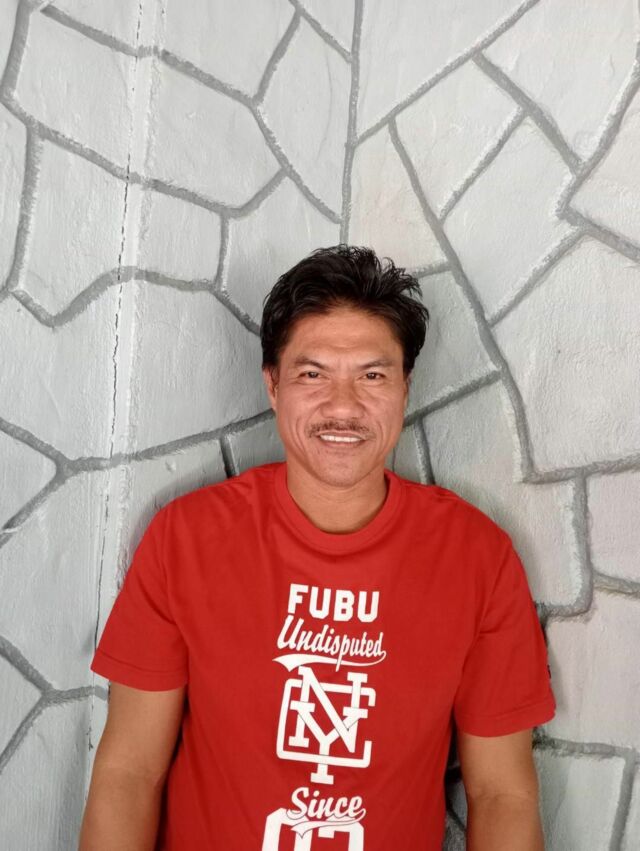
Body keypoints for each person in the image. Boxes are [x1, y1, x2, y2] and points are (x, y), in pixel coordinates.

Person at [79, 245, 555, 850]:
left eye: (373, 375)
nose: (343, 406)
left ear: (405, 388)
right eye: (313, 374)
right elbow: (129, 773)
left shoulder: (477, 557)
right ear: (273, 385)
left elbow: (502, 794)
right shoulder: (187, 538)